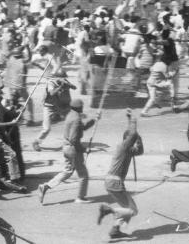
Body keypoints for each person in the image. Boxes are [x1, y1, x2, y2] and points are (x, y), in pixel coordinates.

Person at [38, 99, 100, 204]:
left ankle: (46, 186)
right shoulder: (76, 119)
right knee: (83, 175)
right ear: (79, 108)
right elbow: (74, 139)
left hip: (66, 148)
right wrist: (85, 149)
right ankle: (80, 197)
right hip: (73, 150)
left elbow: (82, 128)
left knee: (67, 171)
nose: (82, 108)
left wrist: (94, 120)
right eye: (82, 106)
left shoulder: (71, 115)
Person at [97, 109, 144, 239]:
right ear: (127, 140)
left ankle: (115, 231)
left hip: (112, 183)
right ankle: (108, 210)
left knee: (127, 210)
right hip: (115, 182)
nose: (133, 142)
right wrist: (132, 119)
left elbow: (140, 151)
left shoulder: (128, 150)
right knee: (133, 210)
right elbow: (133, 134)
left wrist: (138, 138)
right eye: (132, 140)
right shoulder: (122, 147)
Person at [32, 73, 76, 151]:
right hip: (49, 107)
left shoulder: (64, 81)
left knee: (71, 121)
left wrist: (69, 85)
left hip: (59, 106)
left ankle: (69, 141)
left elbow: (75, 88)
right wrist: (61, 87)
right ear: (57, 77)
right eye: (62, 78)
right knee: (47, 128)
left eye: (64, 78)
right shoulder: (51, 83)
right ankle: (36, 142)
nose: (64, 79)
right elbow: (52, 93)